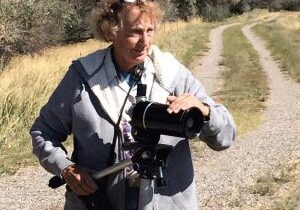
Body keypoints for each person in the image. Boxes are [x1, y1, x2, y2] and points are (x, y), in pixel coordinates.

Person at [30, 0, 236, 210]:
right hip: (98, 203)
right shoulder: (83, 76)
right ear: (111, 31)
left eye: (150, 31)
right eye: (135, 32)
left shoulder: (172, 75)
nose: (144, 42)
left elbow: (225, 137)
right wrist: (66, 168)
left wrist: (204, 111)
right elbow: (43, 131)